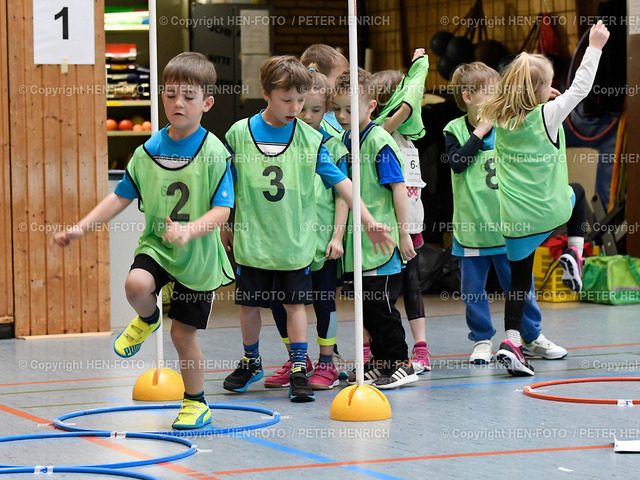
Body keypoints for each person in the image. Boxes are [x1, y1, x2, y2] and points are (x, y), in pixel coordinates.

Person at [51, 52, 234, 429]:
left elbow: (223, 211)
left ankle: (196, 402)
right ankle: (147, 318)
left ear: (207, 102)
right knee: (136, 284)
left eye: (188, 95)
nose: (177, 103)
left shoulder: (215, 153)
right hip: (157, 246)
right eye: (170, 95)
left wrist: (189, 229)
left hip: (197, 258)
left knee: (184, 336)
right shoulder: (146, 151)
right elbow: (119, 197)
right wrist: (81, 228)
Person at [222, 56, 395, 402]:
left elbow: (342, 183)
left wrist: (368, 219)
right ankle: (251, 359)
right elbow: (224, 184)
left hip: (293, 243)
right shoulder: (239, 134)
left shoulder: (310, 140)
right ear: (266, 93)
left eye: (301, 101)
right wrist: (224, 225)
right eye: (287, 100)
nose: (295, 108)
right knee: (249, 305)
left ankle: (300, 365)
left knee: (295, 304)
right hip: (252, 241)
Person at [481, 21, 610, 375]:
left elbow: (519, 99)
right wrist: (594, 46)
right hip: (549, 210)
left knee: (520, 284)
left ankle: (510, 341)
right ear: (539, 91)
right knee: (580, 193)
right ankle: (574, 253)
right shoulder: (548, 116)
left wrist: (540, 96)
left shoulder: (499, 116)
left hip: (514, 221)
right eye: (550, 85)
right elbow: (581, 88)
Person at [444, 61, 567, 365]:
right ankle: (482, 339)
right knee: (473, 291)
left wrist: (542, 100)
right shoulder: (455, 129)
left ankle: (531, 336)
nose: (501, 96)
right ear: (469, 97)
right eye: (492, 92)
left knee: (521, 286)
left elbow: (539, 127)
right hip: (473, 229)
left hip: (509, 227)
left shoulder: (511, 124)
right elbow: (457, 162)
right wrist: (481, 131)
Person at [332, 67, 419, 389]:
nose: (341, 115)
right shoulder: (344, 141)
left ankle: (401, 362)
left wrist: (404, 233)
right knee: (366, 310)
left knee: (381, 309)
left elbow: (398, 188)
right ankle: (380, 363)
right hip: (358, 248)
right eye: (337, 108)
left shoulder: (378, 142)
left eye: (349, 109)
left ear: (370, 107)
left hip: (381, 245)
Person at [265, 65, 350, 391]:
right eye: (304, 107)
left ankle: (327, 362)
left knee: (324, 301)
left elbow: (342, 196)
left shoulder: (333, 145)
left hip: (322, 241)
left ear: (325, 110)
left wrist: (337, 236)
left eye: (317, 109)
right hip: (286, 241)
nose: (308, 115)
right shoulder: (282, 140)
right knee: (279, 301)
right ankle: (297, 359)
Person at [371, 47, 431, 373]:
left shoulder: (410, 140)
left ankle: (421, 348)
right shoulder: (384, 130)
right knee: (382, 293)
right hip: (388, 230)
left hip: (413, 227)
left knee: (412, 285)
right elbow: (407, 105)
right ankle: (377, 351)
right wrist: (419, 66)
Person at [301, 44, 349, 138]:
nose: (345, 85)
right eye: (340, 79)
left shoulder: (342, 115)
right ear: (319, 80)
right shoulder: (314, 121)